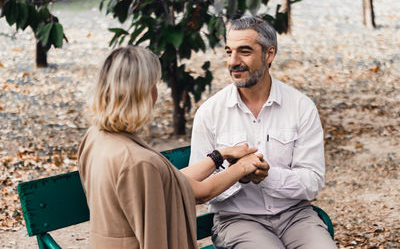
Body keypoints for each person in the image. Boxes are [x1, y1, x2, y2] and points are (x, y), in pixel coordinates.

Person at [78, 46, 268, 249]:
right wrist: (242, 167)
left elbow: (172, 183)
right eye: (153, 84)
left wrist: (219, 155)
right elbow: (200, 193)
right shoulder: (138, 161)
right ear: (141, 93)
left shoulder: (96, 138)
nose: (156, 93)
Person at [189, 16, 337, 248]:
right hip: (237, 220)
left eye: (244, 52)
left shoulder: (301, 106)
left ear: (269, 55)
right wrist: (238, 174)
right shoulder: (210, 112)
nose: (233, 62)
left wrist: (267, 176)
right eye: (229, 52)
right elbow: (199, 188)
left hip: (295, 216)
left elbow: (313, 181)